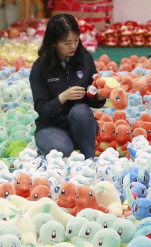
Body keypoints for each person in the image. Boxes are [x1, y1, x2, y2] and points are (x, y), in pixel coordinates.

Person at [30, 14, 106, 159]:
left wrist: (99, 97)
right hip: (51, 125)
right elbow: (42, 110)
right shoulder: (40, 67)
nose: (73, 46)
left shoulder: (85, 59)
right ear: (53, 43)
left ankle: (90, 160)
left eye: (76, 40)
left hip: (80, 122)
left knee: (80, 112)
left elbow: (91, 97)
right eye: (66, 43)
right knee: (62, 149)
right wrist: (62, 97)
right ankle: (61, 143)